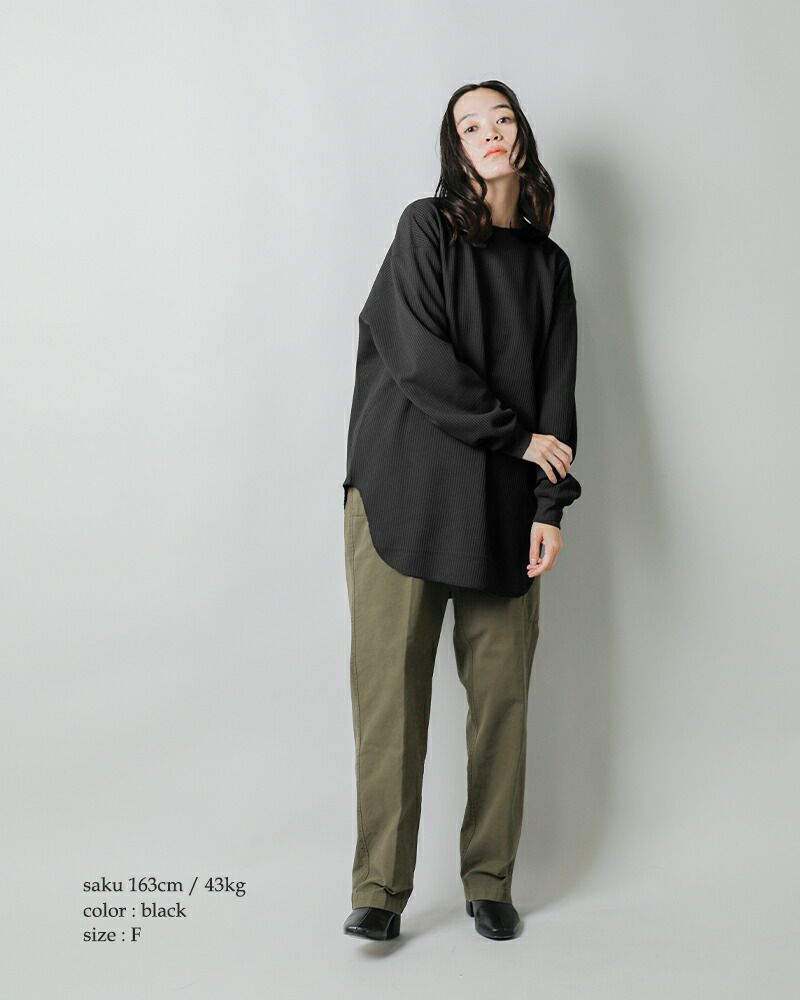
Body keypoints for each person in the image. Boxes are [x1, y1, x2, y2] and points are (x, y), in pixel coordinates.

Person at [341, 80, 582, 942]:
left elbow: (558, 397)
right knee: (390, 704)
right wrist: (516, 439)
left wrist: (550, 504)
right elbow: (418, 359)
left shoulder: (548, 267)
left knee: (503, 702)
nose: (489, 132)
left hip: (504, 510)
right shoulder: (425, 229)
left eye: (501, 117)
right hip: (401, 494)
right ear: (455, 147)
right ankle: (379, 890)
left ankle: (489, 880)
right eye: (469, 124)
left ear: (522, 135)